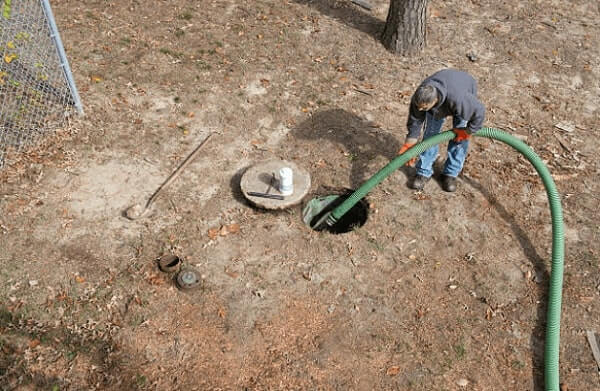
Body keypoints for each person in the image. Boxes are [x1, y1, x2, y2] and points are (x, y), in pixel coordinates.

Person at [397, 69, 485, 192]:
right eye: (419, 107)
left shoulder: (460, 99)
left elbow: (479, 112)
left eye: (424, 108)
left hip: (462, 88)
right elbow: (416, 119)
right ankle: (423, 172)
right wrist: (410, 141)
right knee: (430, 135)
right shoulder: (420, 97)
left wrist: (467, 131)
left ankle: (451, 174)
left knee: (460, 139)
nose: (421, 110)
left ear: (435, 100)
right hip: (443, 97)